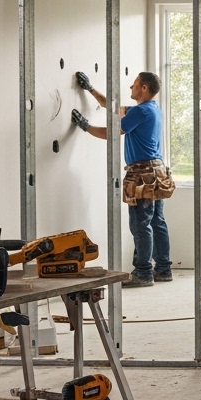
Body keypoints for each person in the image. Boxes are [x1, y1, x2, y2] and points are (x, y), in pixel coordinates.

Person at [71, 70, 172, 288]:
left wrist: (86, 127)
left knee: (141, 223)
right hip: (156, 171)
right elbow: (115, 109)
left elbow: (111, 132)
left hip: (143, 175)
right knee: (156, 221)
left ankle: (143, 273)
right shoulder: (151, 109)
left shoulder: (142, 111)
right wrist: (89, 89)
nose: (131, 88)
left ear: (144, 88)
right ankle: (163, 269)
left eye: (134, 84)